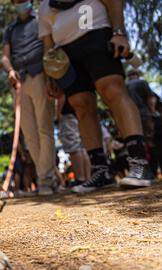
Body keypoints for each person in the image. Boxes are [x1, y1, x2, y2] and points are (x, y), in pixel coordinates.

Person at [39, 0, 153, 193]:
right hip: (65, 54)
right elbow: (47, 43)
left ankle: (138, 163)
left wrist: (119, 32)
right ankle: (101, 172)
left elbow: (114, 3)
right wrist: (50, 75)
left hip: (97, 35)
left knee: (113, 90)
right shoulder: (44, 6)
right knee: (80, 105)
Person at [1, 0, 56, 196]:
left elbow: (49, 46)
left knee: (45, 129)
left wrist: (51, 79)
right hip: (19, 82)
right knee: (30, 134)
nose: (19, 4)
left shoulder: (41, 19)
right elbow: (5, 57)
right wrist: (10, 70)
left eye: (22, 1)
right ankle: (46, 177)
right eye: (16, 2)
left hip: (40, 75)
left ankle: (46, 179)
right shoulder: (10, 29)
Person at [57, 96, 91, 187]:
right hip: (78, 112)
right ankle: (87, 179)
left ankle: (80, 178)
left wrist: (58, 113)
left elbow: (62, 93)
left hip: (68, 113)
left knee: (74, 147)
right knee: (82, 147)